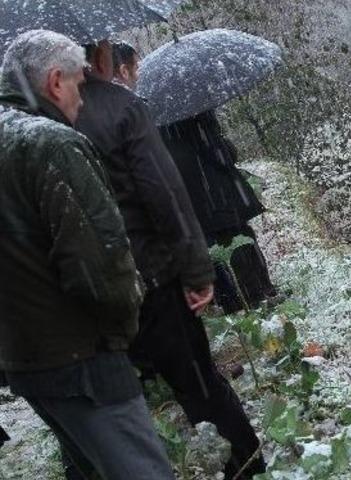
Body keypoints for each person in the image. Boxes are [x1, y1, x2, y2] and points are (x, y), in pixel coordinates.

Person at [74, 40, 266, 479]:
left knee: (113, 410)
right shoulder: (121, 108)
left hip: (86, 291)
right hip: (150, 277)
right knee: (200, 384)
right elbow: (166, 198)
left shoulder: (30, 125)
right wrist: (196, 272)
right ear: (102, 58)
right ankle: (248, 466)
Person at [0, 30, 175, 479]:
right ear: (56, 82)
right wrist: (123, 324)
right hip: (83, 357)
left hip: (23, 358)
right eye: (80, 83)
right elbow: (100, 266)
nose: (83, 99)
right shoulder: (54, 146)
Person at [114, 44, 278, 313]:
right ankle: (259, 296)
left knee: (215, 251)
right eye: (136, 65)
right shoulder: (192, 106)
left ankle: (232, 302)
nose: (139, 69)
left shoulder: (147, 113)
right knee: (241, 242)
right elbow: (220, 153)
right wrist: (227, 149)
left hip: (194, 200)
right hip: (219, 195)